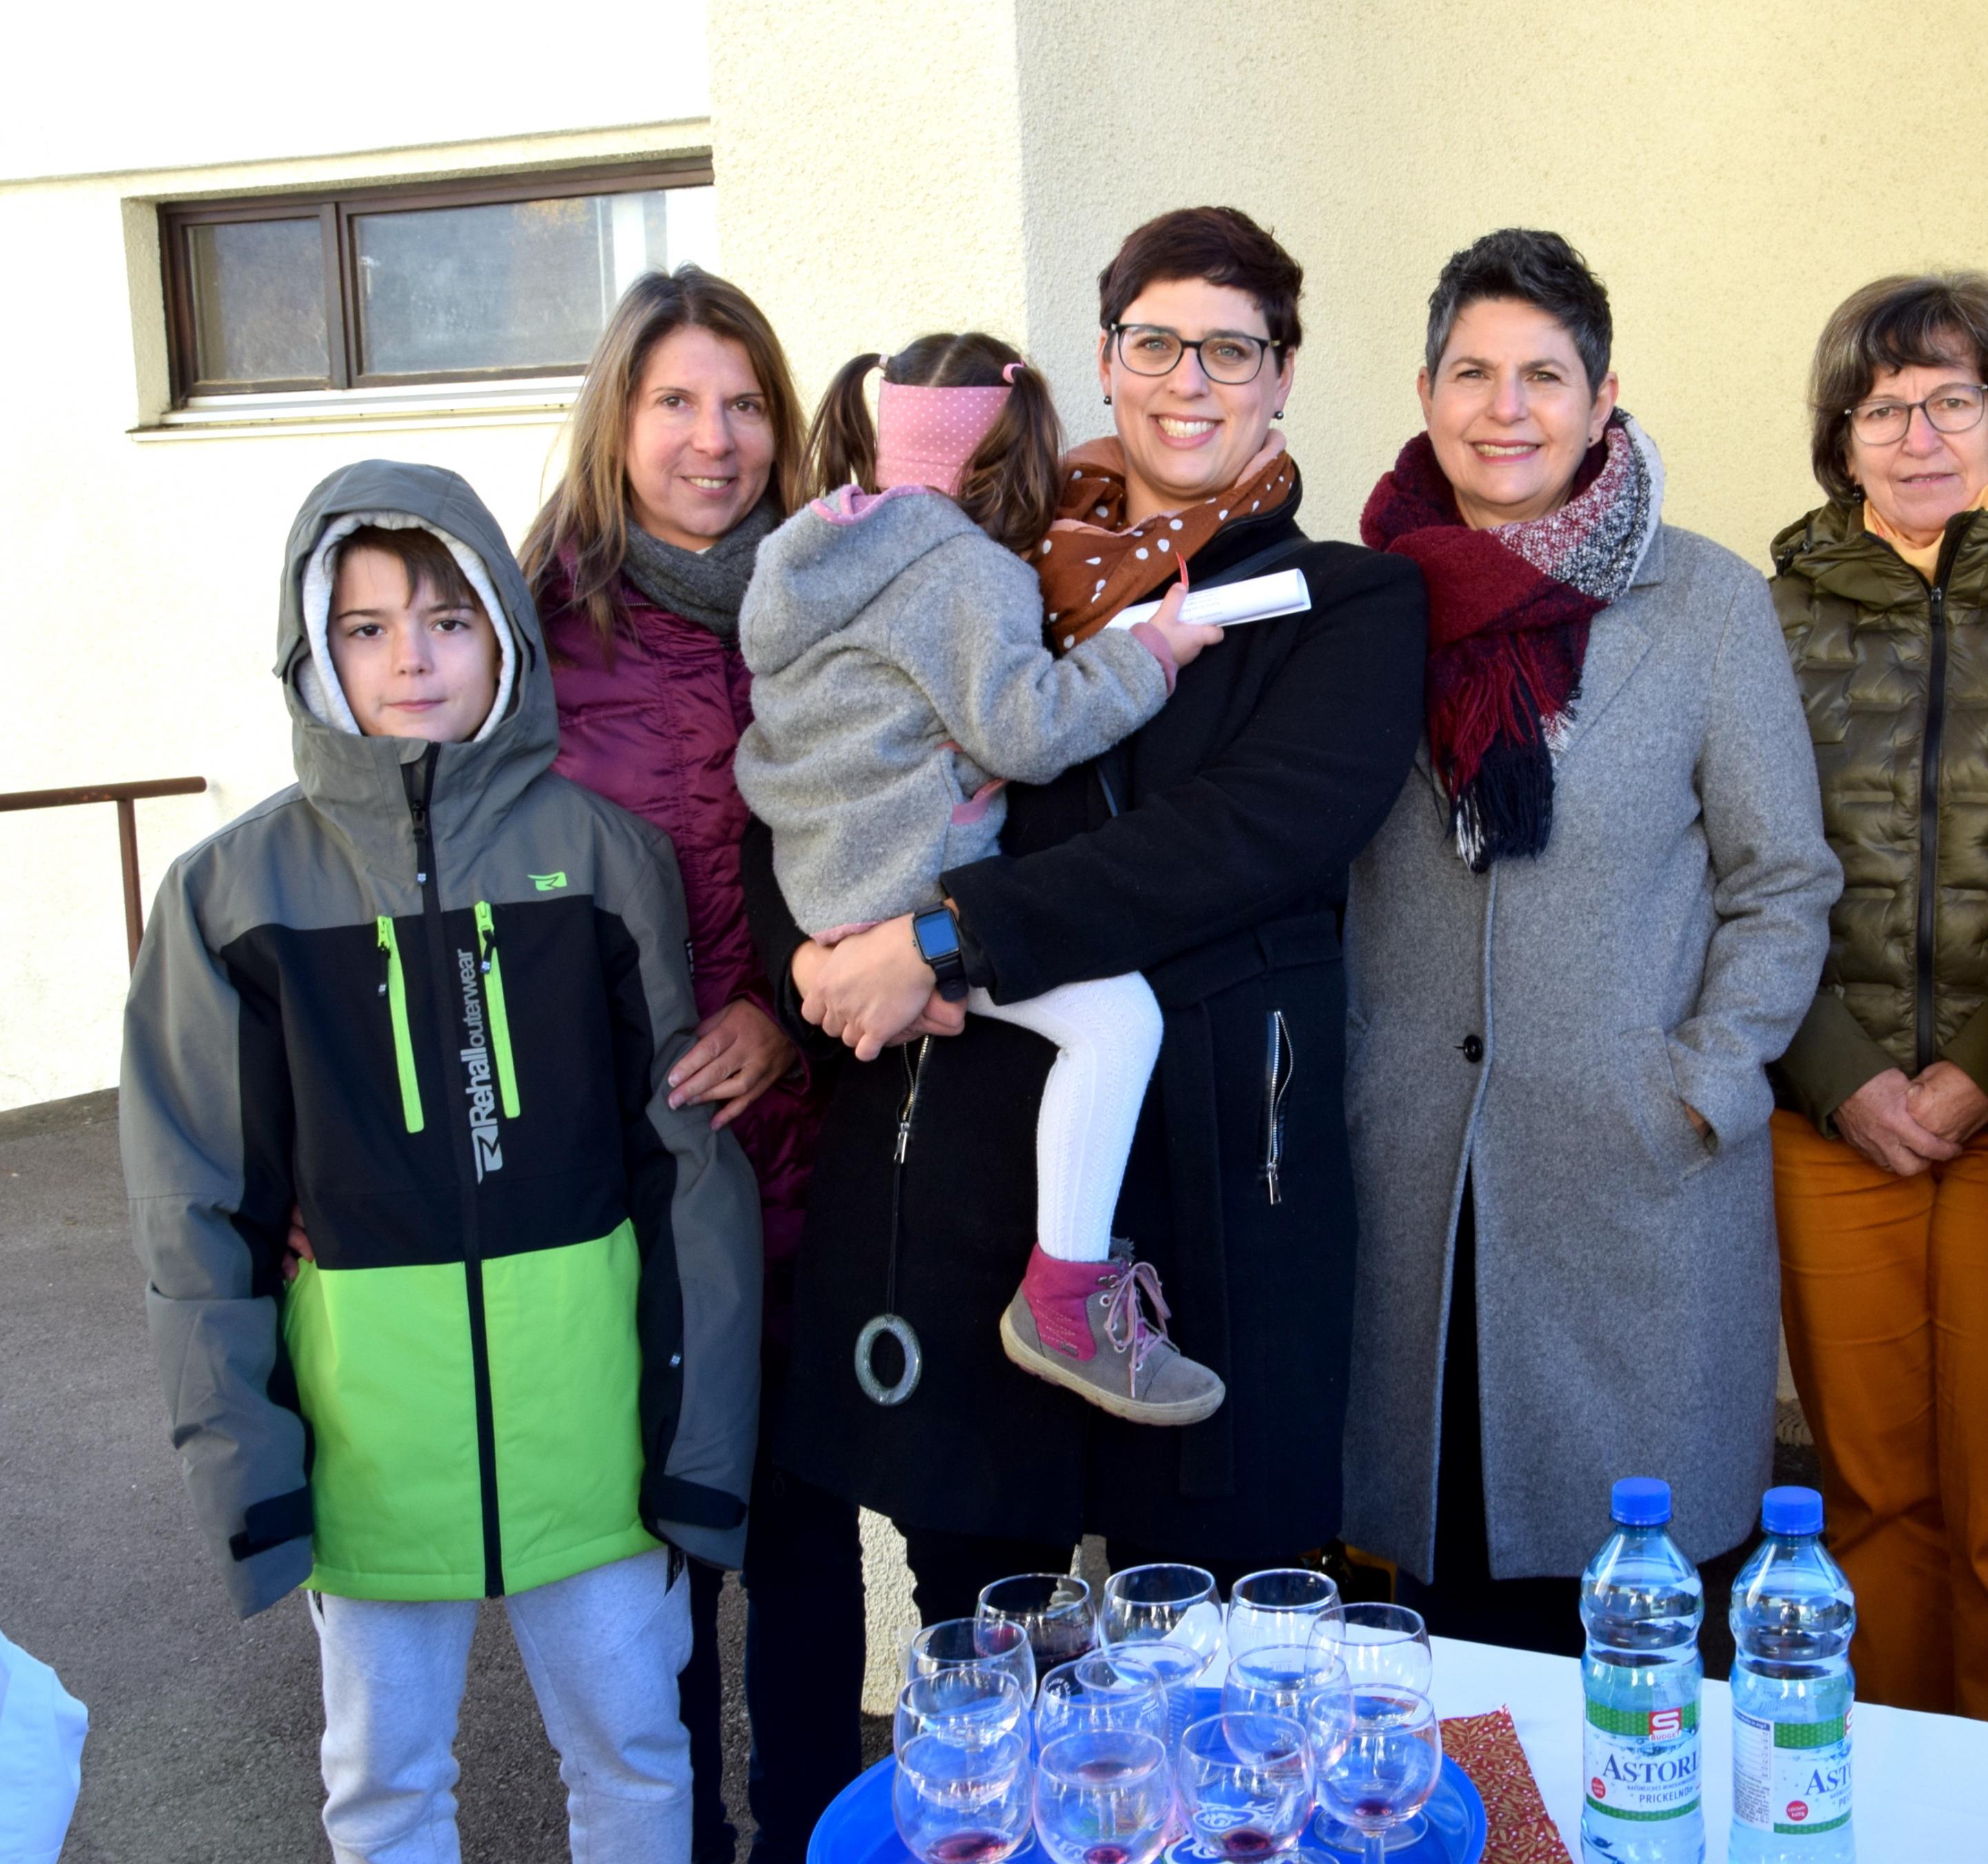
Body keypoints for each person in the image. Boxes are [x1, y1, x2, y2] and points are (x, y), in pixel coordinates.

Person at [740, 206, 1426, 1857]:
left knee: (1222, 1663)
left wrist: (943, 936)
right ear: (1104, 359)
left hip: (1225, 1171)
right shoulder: (975, 568)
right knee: (993, 1651)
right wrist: (815, 957)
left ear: (1282, 375)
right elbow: (826, 780)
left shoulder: (1344, 601)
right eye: (1156, 341)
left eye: (1232, 347)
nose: (1191, 379)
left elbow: (1241, 838)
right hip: (982, 1184)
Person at [121, 461, 764, 1861]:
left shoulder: (605, 857)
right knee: (386, 1788)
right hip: (369, 1451)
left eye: (447, 619)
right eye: (365, 626)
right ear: (314, 648)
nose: (410, 657)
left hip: (589, 1439)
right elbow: (194, 1203)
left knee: (636, 1759)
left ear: (504, 634)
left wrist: (697, 1444)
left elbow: (685, 1172)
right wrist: (247, 1469)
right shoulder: (229, 894)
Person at [1341, 229, 1841, 1650]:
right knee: (1439, 1621)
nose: (1506, 410)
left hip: (1634, 1174)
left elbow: (1781, 879)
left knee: (1633, 1626)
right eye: (1472, 373)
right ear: (1425, 391)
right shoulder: (1363, 604)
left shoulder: (1705, 602)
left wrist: (1707, 1078)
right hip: (1415, 1178)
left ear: (1602, 395)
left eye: (1543, 376)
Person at [736, 329, 1228, 1422]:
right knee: (1119, 1023)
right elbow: (1027, 729)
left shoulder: (807, 551)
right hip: (911, 881)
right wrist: (1151, 654)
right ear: (1015, 452)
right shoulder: (968, 570)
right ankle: (1066, 1299)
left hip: (822, 880)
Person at [1765, 272, 1988, 1734]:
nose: (1915, 436)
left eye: (1949, 400)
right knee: (1866, 1504)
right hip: (1828, 1110)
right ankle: (1881, 1805)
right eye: (1879, 408)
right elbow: (1724, 862)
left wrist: (1985, 1066)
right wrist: (1837, 1071)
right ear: (1840, 440)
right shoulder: (1769, 614)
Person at [520, 264, 825, 1864]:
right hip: (633, 1164)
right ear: (617, 419)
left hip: (820, 1134)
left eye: (745, 403)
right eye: (677, 402)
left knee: (806, 1535)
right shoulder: (534, 627)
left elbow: (904, 832)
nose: (715, 438)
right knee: (661, 1554)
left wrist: (784, 1008)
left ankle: (813, 1832)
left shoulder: (835, 596)